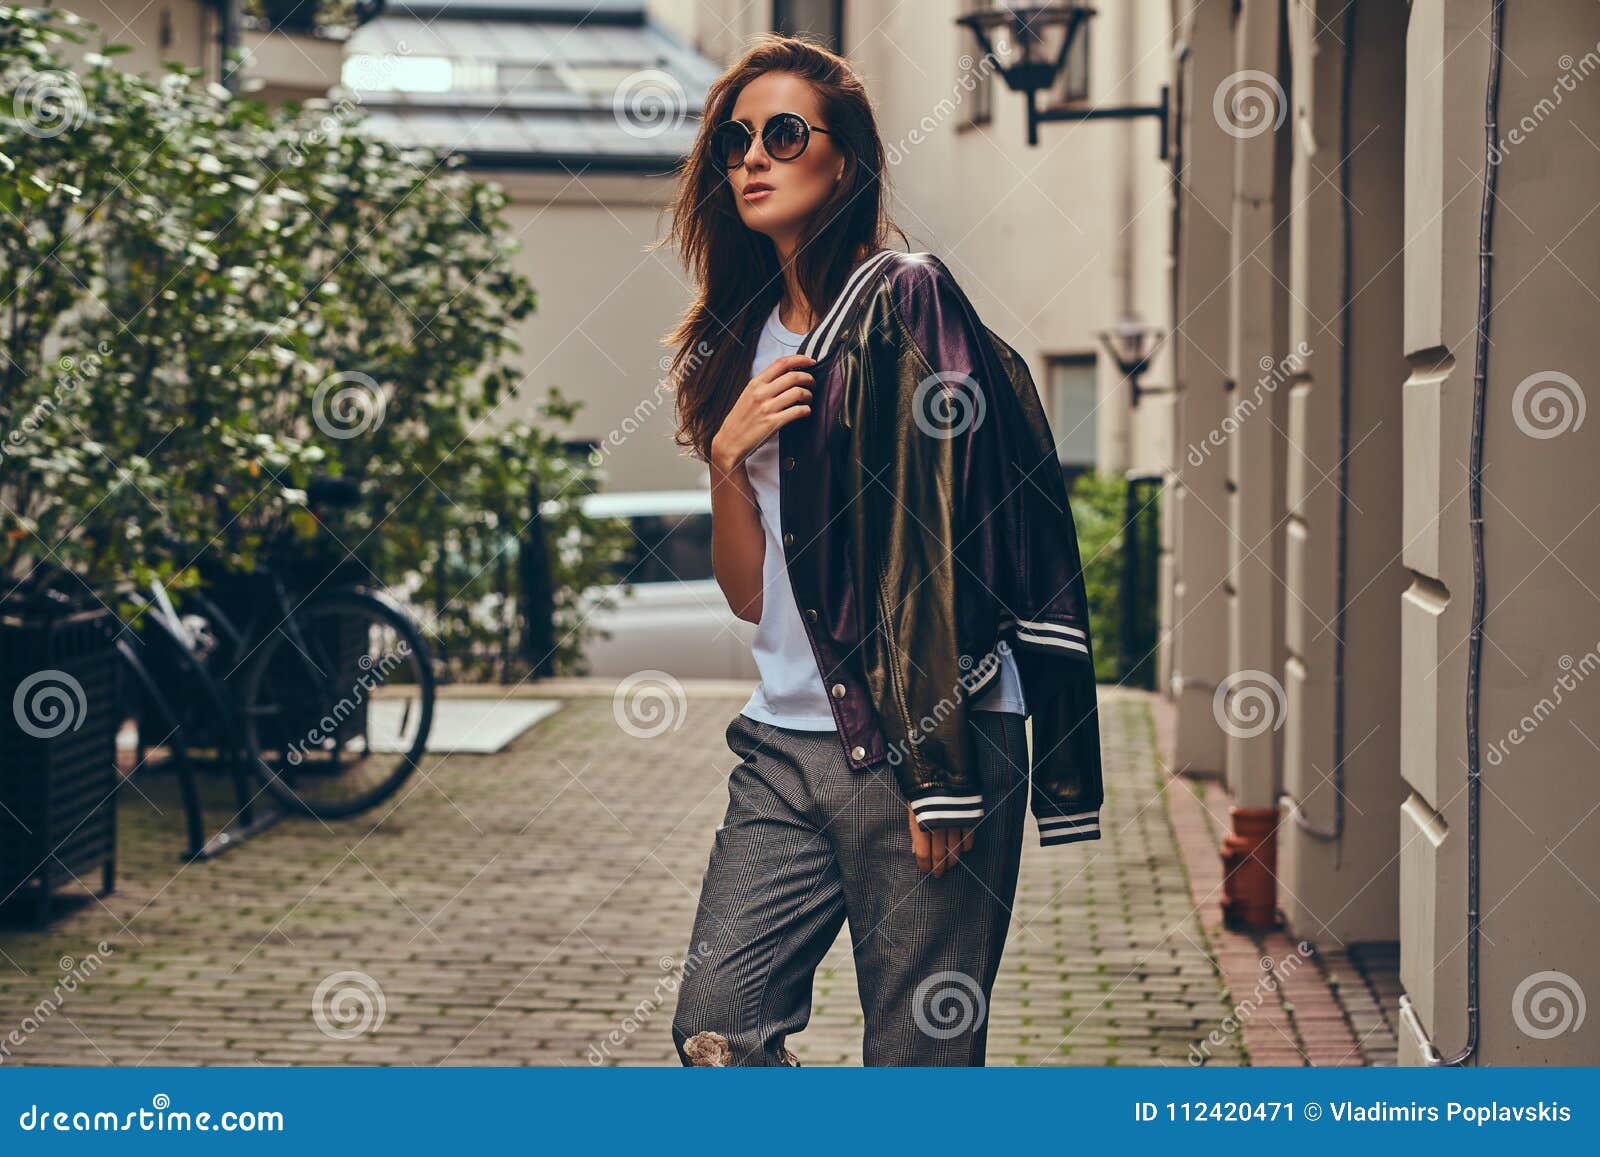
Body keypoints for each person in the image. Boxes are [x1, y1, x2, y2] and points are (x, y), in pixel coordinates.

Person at [659, 33, 1102, 1067]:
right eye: (733, 141)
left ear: (845, 161)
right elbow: (746, 595)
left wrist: (938, 767)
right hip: (782, 749)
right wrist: (727, 460)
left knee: (918, 1057)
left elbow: (948, 532)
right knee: (716, 1026)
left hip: (922, 742)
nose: (751, 158)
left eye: (782, 133)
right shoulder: (740, 338)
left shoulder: (907, 298)